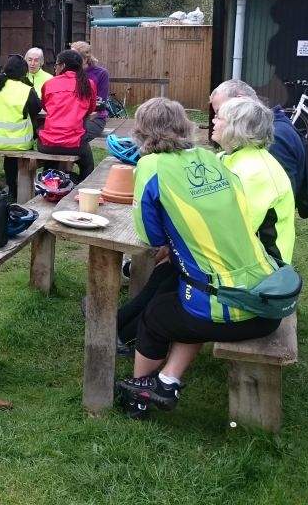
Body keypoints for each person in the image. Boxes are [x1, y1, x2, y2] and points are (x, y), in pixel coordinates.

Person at [114, 97, 283, 420]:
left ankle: (139, 396)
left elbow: (151, 239)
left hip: (233, 306)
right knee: (177, 293)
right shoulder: (213, 159)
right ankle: (166, 381)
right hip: (267, 297)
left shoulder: (151, 166)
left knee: (155, 316)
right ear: (184, 126)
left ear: (141, 132)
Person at [212, 97, 296, 263]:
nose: (213, 121)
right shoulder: (225, 157)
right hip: (237, 260)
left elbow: (235, 230)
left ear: (236, 127)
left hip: (264, 268)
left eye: (219, 117)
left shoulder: (257, 173)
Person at [209, 79, 306, 192]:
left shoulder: (274, 137)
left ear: (240, 100)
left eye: (219, 113)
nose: (214, 120)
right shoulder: (272, 129)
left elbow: (282, 191)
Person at [0, 54, 42, 201]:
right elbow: (36, 108)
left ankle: (11, 187)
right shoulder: (26, 89)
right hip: (19, 142)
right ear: (24, 72)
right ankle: (23, 187)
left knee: (10, 155)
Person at [38, 49, 96, 181]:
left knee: (50, 159)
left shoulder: (49, 83)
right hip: (75, 144)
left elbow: (46, 107)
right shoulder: (88, 84)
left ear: (63, 66)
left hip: (48, 144)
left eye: (56, 65)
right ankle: (81, 189)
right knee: (87, 164)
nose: (55, 68)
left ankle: (46, 185)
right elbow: (90, 109)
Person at [70, 40, 110, 139]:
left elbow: (100, 103)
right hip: (71, 116)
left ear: (86, 58)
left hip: (94, 117)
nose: (71, 60)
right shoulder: (68, 72)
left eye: (75, 57)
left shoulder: (101, 73)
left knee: (78, 137)